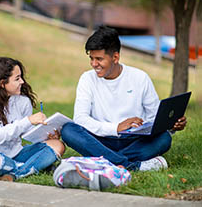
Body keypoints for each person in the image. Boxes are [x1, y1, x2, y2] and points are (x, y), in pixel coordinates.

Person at [61, 26, 187, 171]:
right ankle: (131, 166)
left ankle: (102, 161)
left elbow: (155, 119)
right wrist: (116, 127)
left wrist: (171, 125)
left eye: (99, 59)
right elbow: (81, 119)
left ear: (115, 57)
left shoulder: (140, 78)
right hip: (100, 139)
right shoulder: (87, 79)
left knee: (164, 138)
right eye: (91, 58)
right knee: (68, 130)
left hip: (134, 140)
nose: (94, 64)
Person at [0, 57, 65, 181]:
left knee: (57, 145)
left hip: (17, 154)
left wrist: (46, 135)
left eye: (21, 77)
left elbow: (26, 133)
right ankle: (33, 166)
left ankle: (16, 173)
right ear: (2, 83)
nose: (22, 82)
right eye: (17, 78)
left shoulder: (22, 100)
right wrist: (28, 120)